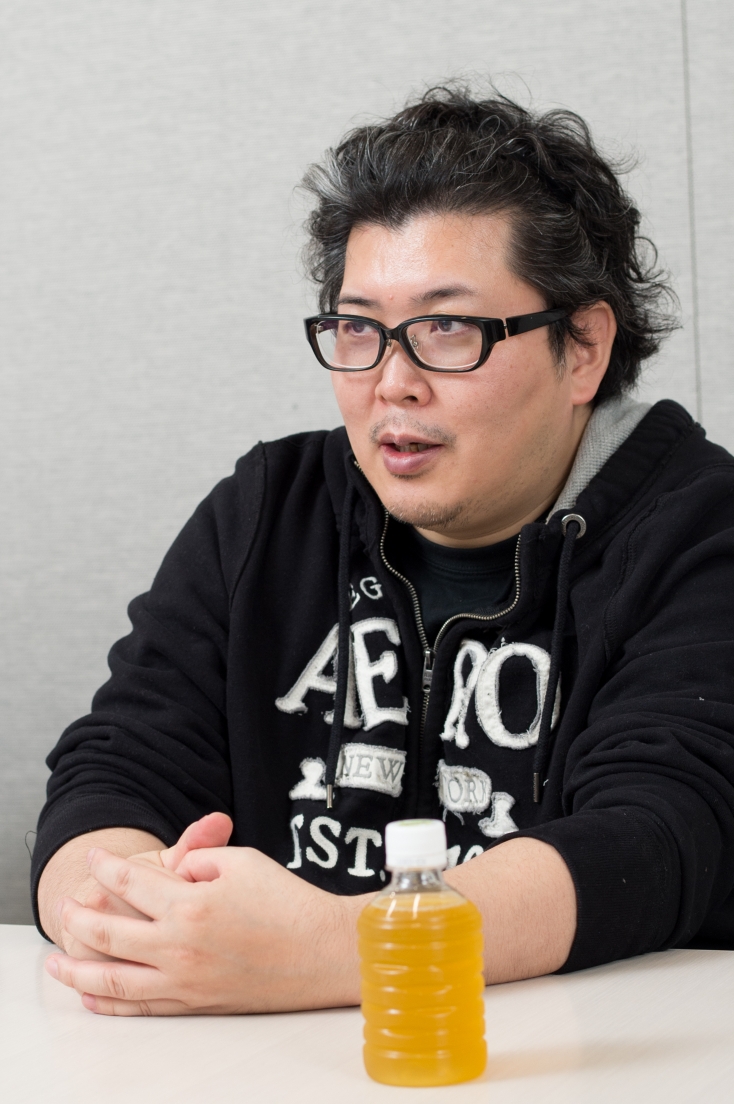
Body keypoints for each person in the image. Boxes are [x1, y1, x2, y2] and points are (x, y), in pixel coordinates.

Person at [34, 85, 734, 1018]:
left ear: (582, 348)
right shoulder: (271, 510)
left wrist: (338, 950)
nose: (392, 382)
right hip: (265, 1057)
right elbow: (115, 771)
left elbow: (658, 838)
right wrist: (117, 912)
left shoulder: (702, 531)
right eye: (359, 328)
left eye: (448, 328)